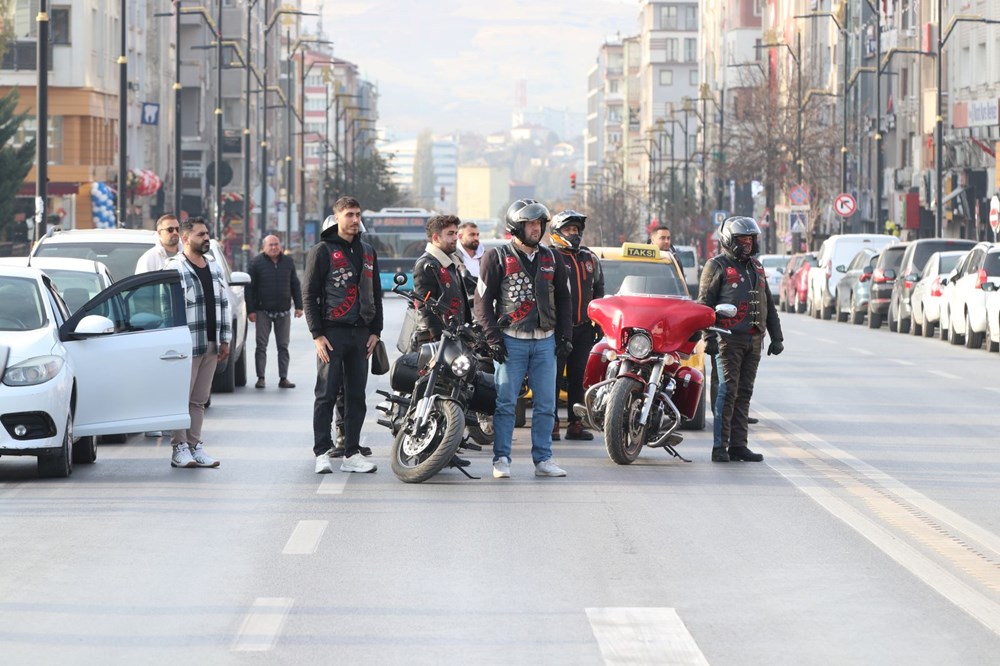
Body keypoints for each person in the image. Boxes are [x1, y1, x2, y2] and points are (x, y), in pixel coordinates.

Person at [474, 199, 572, 478]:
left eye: (539, 223)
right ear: (516, 226)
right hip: (511, 341)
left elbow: (565, 300)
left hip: (546, 342)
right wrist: (493, 339)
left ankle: (543, 459)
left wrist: (565, 337)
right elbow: (482, 303)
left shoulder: (553, 258)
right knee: (505, 403)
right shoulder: (496, 257)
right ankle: (501, 459)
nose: (536, 228)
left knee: (546, 404)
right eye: (530, 223)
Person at [304, 196, 383, 474]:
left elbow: (376, 293)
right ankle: (322, 453)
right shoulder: (322, 251)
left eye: (358, 214)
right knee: (325, 395)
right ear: (337, 217)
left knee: (356, 396)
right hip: (332, 334)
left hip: (361, 335)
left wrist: (376, 331)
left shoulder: (368, 251)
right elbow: (309, 295)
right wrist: (317, 334)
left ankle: (352, 453)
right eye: (349, 214)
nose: (354, 220)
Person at [697, 217, 782, 463]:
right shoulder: (716, 266)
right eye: (742, 239)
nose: (747, 243)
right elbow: (704, 305)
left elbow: (769, 304)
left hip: (754, 339)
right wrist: (708, 336)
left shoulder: (756, 267)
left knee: (744, 392)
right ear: (728, 240)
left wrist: (777, 337)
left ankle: (738, 445)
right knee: (727, 391)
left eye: (750, 239)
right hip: (727, 339)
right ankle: (719, 447)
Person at [166, 217, 231, 469]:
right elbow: (167, 308)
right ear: (185, 239)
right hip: (186, 346)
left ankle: (195, 445)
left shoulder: (213, 267)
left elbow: (223, 304)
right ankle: (179, 448)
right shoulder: (174, 267)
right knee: (180, 398)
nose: (206, 238)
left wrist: (225, 339)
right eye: (201, 234)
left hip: (211, 344)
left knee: (199, 400)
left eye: (207, 234)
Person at [549, 210, 604, 441]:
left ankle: (575, 423)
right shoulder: (549, 257)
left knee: (578, 377)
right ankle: (551, 423)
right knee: (551, 377)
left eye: (576, 229)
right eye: (568, 229)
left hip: (583, 328)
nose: (573, 233)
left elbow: (599, 290)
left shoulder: (589, 258)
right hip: (557, 329)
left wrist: (598, 322)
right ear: (557, 232)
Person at [246, 235, 303, 389]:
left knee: (283, 346)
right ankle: (261, 378)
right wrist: (250, 311)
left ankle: (283, 378)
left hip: (283, 311)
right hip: (262, 310)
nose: (273, 247)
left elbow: (295, 284)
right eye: (270, 245)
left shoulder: (288, 262)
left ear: (280, 246)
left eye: (276, 244)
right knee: (261, 346)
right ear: (264, 247)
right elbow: (249, 288)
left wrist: (299, 306)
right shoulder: (256, 263)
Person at [411, 215, 471, 351]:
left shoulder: (452, 261)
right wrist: (440, 340)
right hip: (437, 343)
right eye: (450, 234)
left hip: (454, 338)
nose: (456, 238)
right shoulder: (426, 264)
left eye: (456, 233)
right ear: (436, 238)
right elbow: (424, 307)